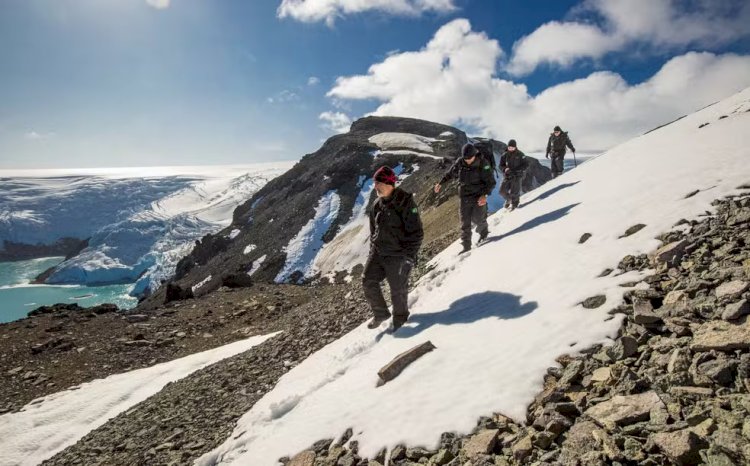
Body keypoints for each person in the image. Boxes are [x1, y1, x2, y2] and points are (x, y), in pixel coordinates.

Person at [364, 165, 424, 331]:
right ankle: (381, 313)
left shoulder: (405, 202)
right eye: (375, 183)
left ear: (389, 183)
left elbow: (417, 233)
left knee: (398, 290)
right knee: (368, 281)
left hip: (398, 255)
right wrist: (372, 252)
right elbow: (373, 231)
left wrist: (409, 258)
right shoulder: (377, 204)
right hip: (378, 252)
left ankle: (400, 319)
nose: (376, 187)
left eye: (379, 183)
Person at [434, 143, 496, 253]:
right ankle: (466, 246)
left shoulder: (483, 163)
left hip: (478, 196)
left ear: (475, 155)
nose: (467, 160)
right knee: (465, 222)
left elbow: (491, 183)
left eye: (469, 158)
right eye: (465, 158)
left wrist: (484, 195)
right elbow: (450, 173)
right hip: (464, 196)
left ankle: (484, 233)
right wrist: (440, 183)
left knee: (478, 219)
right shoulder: (460, 162)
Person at [499, 139, 529, 211]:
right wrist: (504, 169)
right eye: (509, 147)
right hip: (507, 175)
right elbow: (500, 165)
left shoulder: (521, 154)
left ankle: (514, 207)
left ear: (515, 147)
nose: (511, 149)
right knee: (502, 191)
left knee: (514, 192)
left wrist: (520, 170)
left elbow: (526, 164)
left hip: (517, 175)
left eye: (512, 147)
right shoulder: (504, 155)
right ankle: (509, 199)